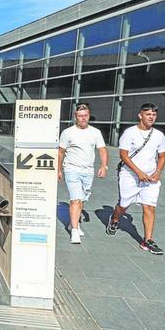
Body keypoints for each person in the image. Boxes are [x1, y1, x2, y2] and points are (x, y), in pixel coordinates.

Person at [106, 103, 165, 255]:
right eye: (148, 114)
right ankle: (114, 219)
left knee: (149, 207)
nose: (151, 117)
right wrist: (138, 172)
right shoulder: (130, 133)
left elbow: (162, 156)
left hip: (150, 177)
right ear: (140, 115)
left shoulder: (159, 135)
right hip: (130, 175)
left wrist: (158, 172)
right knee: (124, 205)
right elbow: (123, 155)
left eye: (154, 114)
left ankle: (148, 240)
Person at [58, 103, 108, 244]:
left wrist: (104, 166)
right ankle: (74, 230)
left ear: (89, 116)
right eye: (80, 116)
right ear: (75, 117)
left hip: (88, 170)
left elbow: (102, 149)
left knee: (82, 199)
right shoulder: (68, 133)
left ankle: (74, 222)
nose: (83, 118)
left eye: (85, 116)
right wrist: (59, 169)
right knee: (75, 199)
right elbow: (61, 152)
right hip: (71, 169)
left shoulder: (95, 132)